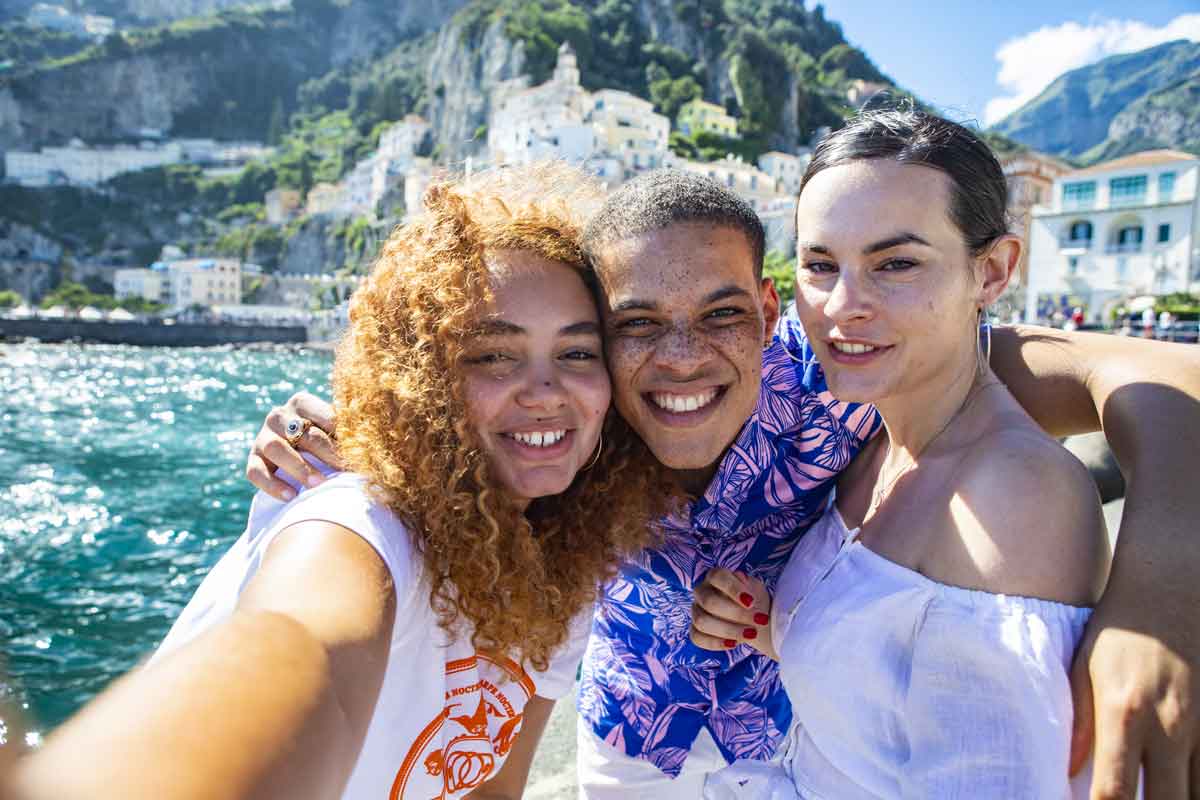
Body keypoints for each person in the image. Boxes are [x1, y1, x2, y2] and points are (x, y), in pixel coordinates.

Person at [247, 163, 1200, 798]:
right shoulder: (570, 419)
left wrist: (1158, 596)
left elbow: (1170, 377)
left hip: (787, 739)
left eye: (721, 315)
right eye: (636, 324)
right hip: (627, 733)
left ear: (772, 308)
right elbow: (443, 438)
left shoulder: (848, 365)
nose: (681, 358)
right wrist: (336, 439)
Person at [12, 163, 672, 800]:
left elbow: (491, 789)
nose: (546, 391)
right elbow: (302, 644)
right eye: (493, 355)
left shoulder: (563, 561)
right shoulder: (360, 519)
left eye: (577, 352)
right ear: (423, 377)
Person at [693, 109, 1109, 797]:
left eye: (896, 264)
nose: (842, 305)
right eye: (820, 265)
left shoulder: (1017, 498)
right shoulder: (872, 440)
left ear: (992, 271)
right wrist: (779, 625)